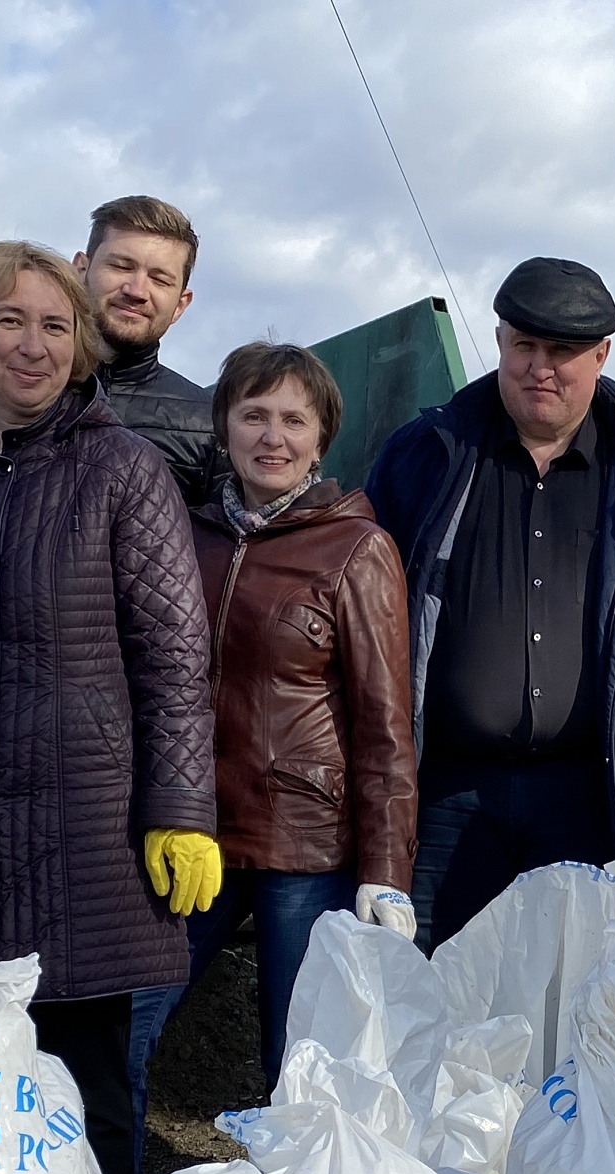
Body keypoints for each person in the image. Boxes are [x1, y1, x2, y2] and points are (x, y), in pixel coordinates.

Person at [0, 240, 220, 1174]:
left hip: (86, 842)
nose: (33, 345)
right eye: (11, 321)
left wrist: (180, 809)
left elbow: (173, 655)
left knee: (85, 1091)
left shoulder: (123, 470)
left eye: (55, 326)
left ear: (79, 346)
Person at [367, 257, 615, 952]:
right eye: (525, 345)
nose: (540, 368)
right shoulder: (423, 460)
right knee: (436, 992)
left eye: (563, 351)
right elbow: (366, 620)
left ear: (601, 355)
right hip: (446, 797)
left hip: (598, 798)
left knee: (583, 996)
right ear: (500, 341)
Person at [187, 342, 419, 1089]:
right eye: (253, 415)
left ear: (322, 440)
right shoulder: (189, 537)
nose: (272, 437)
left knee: (298, 1063)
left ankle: (295, 1167)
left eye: (294, 420)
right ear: (224, 428)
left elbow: (386, 725)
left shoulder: (356, 548)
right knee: (130, 1021)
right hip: (195, 830)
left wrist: (385, 869)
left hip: (305, 843)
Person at [0, 195, 225, 505]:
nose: (136, 291)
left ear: (180, 304)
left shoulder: (209, 424)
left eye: (159, 280)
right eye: (121, 266)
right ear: (81, 269)